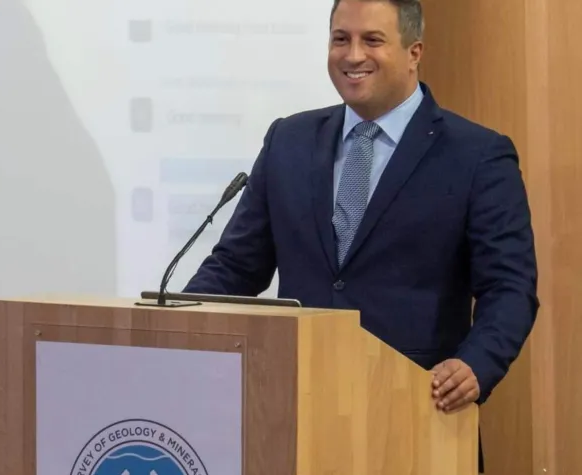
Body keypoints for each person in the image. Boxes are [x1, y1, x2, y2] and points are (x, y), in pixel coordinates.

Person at [184, 0, 538, 443]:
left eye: (372, 40)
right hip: (292, 414)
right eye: (340, 39)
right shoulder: (288, 141)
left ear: (414, 52)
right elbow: (236, 267)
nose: (353, 55)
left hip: (417, 417)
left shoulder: (477, 155)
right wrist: (179, 324)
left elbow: (509, 286)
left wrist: (475, 365)